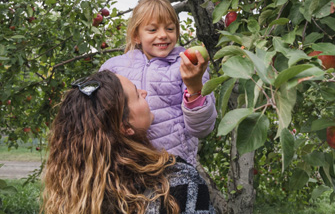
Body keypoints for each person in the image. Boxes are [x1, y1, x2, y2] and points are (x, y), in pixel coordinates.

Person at [42, 70, 216, 214]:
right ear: (126, 126)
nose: (144, 92)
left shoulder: (76, 197)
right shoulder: (177, 182)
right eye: (137, 94)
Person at [100, 0, 217, 166]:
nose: (163, 35)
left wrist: (194, 88)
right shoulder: (114, 68)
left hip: (172, 165)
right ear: (136, 36)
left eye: (169, 28)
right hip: (126, 165)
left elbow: (202, 128)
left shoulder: (188, 66)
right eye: (153, 30)